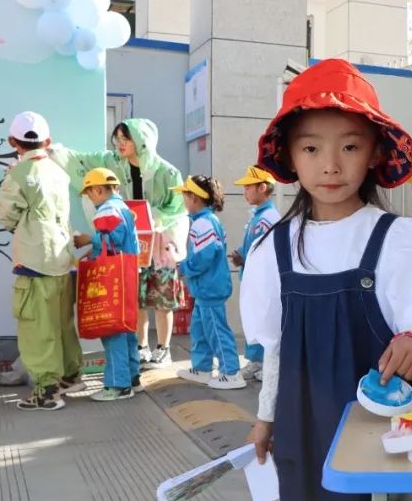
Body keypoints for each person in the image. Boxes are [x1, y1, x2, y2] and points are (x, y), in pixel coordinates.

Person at [240, 59, 412, 501]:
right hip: (301, 424)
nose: (331, 165)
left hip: (380, 428)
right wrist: (266, 417)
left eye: (349, 146)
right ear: (290, 157)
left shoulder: (401, 239)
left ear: (373, 154)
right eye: (312, 148)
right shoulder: (274, 249)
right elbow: (273, 346)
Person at [48, 118, 189, 371]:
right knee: (135, 298)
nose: (121, 144)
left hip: (158, 245)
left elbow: (178, 207)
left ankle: (163, 349)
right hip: (129, 245)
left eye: (126, 139)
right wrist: (51, 152)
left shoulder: (167, 172)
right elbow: (82, 159)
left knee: (161, 298)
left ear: (142, 140)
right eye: (118, 139)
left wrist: (151, 216)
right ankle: (142, 346)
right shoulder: (112, 162)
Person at [0, 111, 82, 411]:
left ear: (12, 142)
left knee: (36, 327)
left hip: (34, 260)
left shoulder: (16, 175)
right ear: (47, 141)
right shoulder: (59, 173)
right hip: (62, 256)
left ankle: (47, 392)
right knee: (61, 322)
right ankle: (71, 376)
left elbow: (7, 217)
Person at [74, 167, 140, 402]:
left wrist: (86, 240)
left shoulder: (106, 211)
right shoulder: (123, 208)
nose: (90, 198)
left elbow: (110, 242)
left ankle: (118, 385)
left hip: (113, 279)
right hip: (128, 275)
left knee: (112, 331)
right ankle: (132, 378)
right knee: (126, 328)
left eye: (89, 193)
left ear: (99, 190)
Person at [173, 176, 244, 391]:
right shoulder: (207, 220)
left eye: (185, 195)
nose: (183, 200)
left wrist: (185, 267)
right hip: (207, 288)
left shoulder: (202, 223)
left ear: (194, 198)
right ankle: (202, 368)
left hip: (209, 288)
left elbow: (205, 256)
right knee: (201, 328)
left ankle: (231, 372)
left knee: (216, 330)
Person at [230, 165, 280, 382]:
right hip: (253, 279)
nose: (245, 192)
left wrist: (245, 259)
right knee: (254, 319)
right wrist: (241, 255)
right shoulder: (258, 216)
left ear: (262, 188)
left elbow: (265, 252)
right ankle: (257, 361)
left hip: (262, 281)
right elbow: (250, 245)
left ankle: (264, 362)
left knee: (262, 321)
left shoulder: (268, 218)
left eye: (248, 187)